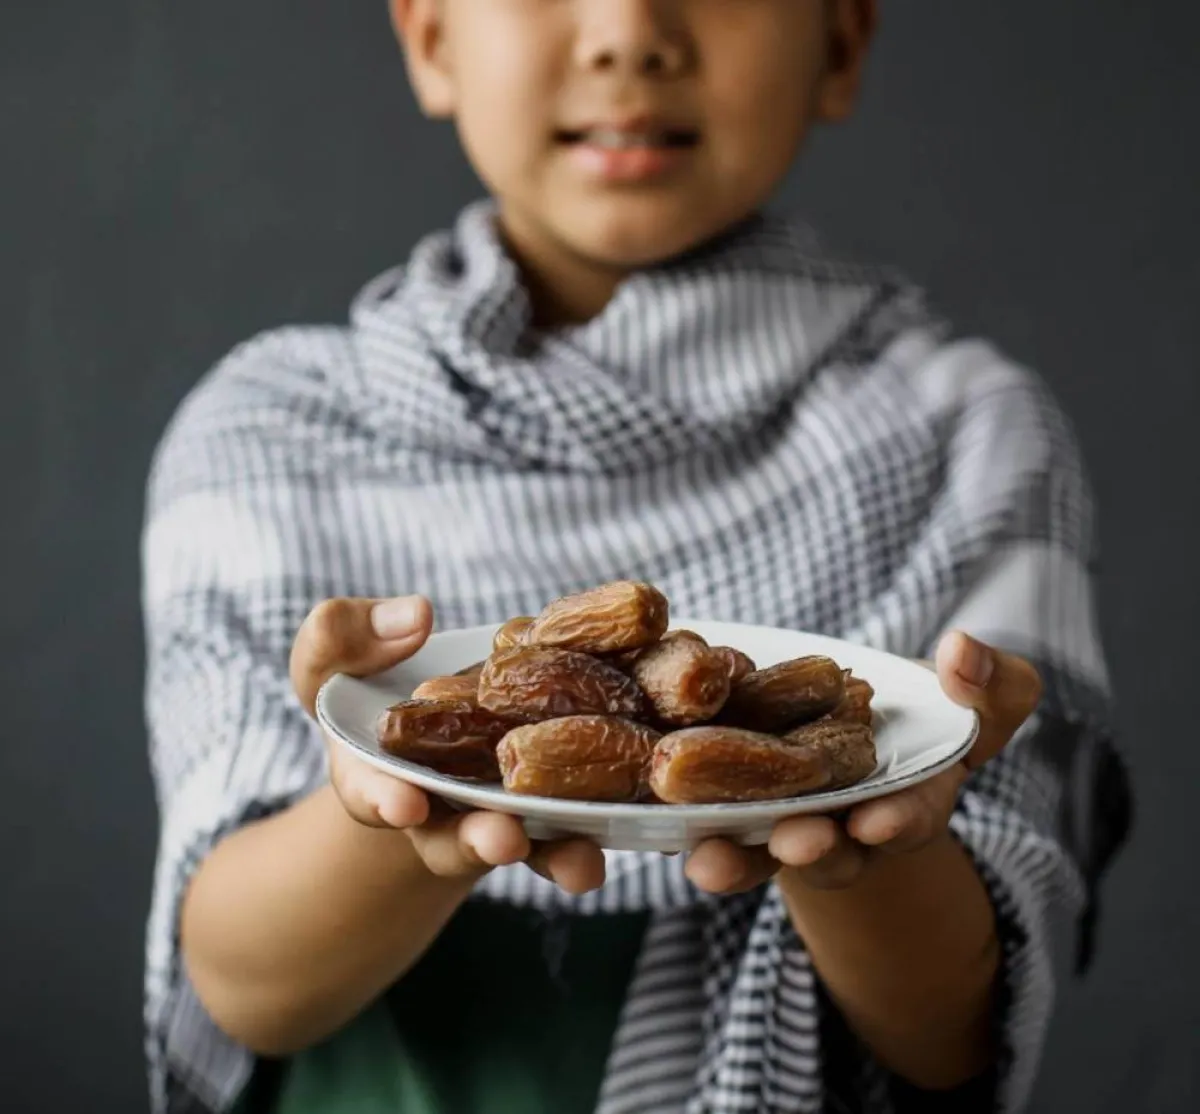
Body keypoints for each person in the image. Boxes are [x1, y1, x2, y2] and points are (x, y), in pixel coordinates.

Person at [140, 2, 1132, 1112]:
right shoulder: (272, 435)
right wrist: (390, 809)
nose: (628, 31)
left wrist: (868, 852)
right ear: (429, 39)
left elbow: (957, 1035)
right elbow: (240, 985)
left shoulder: (971, 437)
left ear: (842, 43)